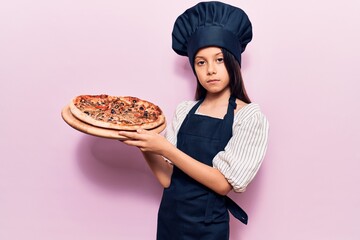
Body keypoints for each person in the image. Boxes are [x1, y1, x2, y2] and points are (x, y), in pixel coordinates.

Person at [119, 1, 269, 239]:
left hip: (208, 229)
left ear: (233, 62)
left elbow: (222, 183)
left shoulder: (248, 116)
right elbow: (167, 179)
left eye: (219, 59)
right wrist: (144, 143)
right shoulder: (185, 110)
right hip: (170, 222)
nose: (210, 70)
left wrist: (165, 147)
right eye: (201, 62)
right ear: (194, 68)